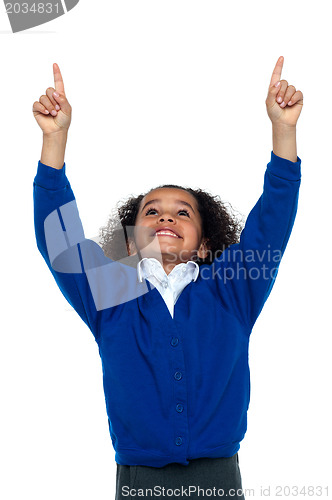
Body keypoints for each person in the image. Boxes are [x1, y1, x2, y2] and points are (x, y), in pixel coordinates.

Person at [32, 56, 303, 499]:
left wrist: (284, 132)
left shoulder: (231, 290)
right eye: (151, 212)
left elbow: (270, 224)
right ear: (134, 242)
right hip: (140, 477)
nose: (165, 218)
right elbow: (59, 243)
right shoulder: (112, 292)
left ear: (203, 244)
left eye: (183, 212)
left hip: (218, 473)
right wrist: (55, 140)